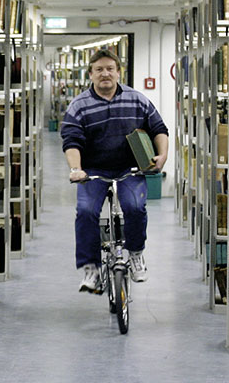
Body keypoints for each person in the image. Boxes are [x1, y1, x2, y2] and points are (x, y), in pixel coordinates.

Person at [61, 48, 169, 290]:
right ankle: (90, 269)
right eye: (99, 69)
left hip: (130, 169)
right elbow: (71, 141)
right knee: (86, 211)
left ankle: (136, 254)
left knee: (135, 207)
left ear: (119, 72)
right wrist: (76, 168)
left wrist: (162, 156)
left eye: (110, 68)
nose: (105, 73)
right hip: (93, 171)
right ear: (90, 74)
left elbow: (159, 129)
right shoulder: (79, 105)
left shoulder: (137, 99)